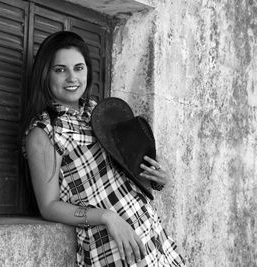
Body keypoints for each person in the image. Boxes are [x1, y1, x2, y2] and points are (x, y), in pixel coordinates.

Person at [22, 31, 185, 267]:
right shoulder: (45, 131)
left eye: (79, 68)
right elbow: (49, 206)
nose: (72, 78)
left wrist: (160, 176)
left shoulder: (99, 112)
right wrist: (107, 217)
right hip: (111, 245)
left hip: (150, 233)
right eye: (60, 69)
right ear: (46, 74)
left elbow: (130, 168)